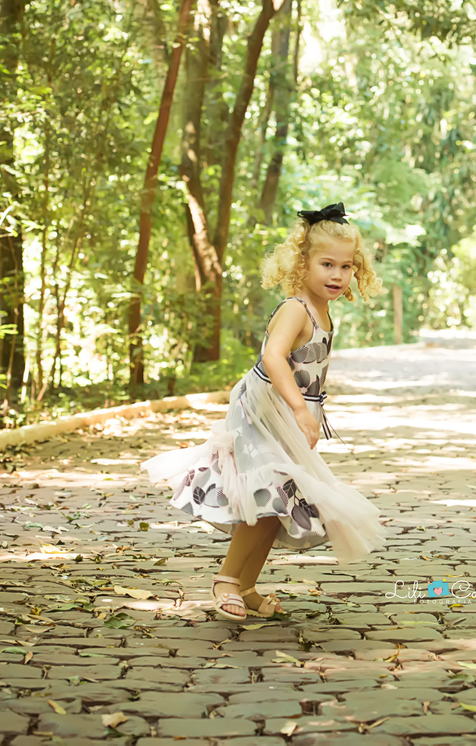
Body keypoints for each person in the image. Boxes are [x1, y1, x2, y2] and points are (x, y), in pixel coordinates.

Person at [142, 203, 387, 621]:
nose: (336, 275)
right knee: (268, 490)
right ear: (302, 263)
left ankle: (248, 584)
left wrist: (306, 410)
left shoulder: (325, 312)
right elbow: (274, 358)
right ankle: (226, 579)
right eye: (326, 264)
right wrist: (299, 409)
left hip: (289, 416)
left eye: (346, 267)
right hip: (263, 409)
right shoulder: (296, 308)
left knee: (280, 501)